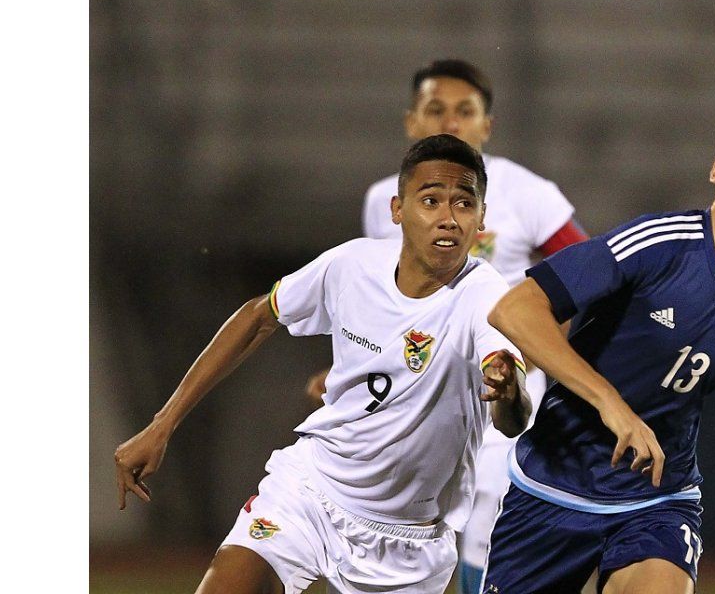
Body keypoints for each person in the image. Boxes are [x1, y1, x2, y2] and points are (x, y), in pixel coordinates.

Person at [114, 134, 533, 594]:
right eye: (431, 200)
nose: (448, 219)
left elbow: (512, 420)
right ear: (398, 210)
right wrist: (162, 424)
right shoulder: (351, 265)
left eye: (464, 204)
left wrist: (509, 390)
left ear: (481, 219)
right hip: (310, 494)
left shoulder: (488, 295)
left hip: (408, 543)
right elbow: (258, 317)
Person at [480, 97, 715, 594]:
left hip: (658, 499)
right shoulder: (657, 244)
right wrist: (611, 405)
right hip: (553, 483)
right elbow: (515, 309)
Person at [306, 58, 588, 594]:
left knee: (487, 518)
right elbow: (380, 300)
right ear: (412, 121)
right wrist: (346, 367)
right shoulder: (382, 201)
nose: (450, 123)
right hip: (410, 396)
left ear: (487, 125)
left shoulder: (529, 194)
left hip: (498, 382)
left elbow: (586, 278)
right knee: (406, 533)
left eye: (465, 111)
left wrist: (549, 353)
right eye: (436, 110)